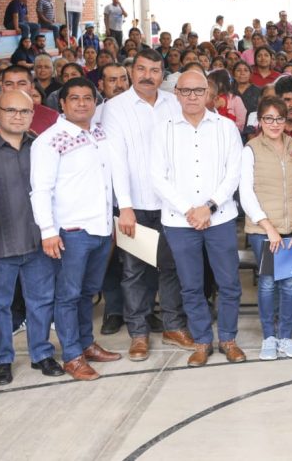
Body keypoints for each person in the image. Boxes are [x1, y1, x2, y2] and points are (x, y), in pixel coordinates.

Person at [102, 49, 194, 361]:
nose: (147, 76)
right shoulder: (115, 108)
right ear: (132, 71)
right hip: (136, 205)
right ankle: (138, 333)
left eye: (155, 70)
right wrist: (125, 206)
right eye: (141, 69)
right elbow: (116, 160)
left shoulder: (173, 102)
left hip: (171, 205)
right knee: (134, 271)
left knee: (171, 267)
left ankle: (173, 326)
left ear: (162, 74)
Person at [150, 70, 245, 367]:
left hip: (220, 218)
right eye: (186, 91)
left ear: (208, 94)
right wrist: (189, 210)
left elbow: (234, 173)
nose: (192, 96)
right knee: (190, 286)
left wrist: (209, 207)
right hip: (180, 222)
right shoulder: (162, 129)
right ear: (176, 94)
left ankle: (228, 339)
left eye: (198, 91)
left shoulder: (225, 128)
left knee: (229, 283)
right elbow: (157, 176)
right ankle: (203, 341)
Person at [30, 77, 120, 381]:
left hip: (101, 229)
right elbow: (40, 190)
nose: (82, 103)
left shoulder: (99, 134)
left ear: (95, 103)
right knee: (68, 295)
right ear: (62, 103)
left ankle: (86, 343)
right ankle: (72, 355)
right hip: (71, 231)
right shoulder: (50, 141)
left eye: (87, 98)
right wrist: (48, 231)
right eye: (75, 98)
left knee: (88, 293)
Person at [0, 89, 63, 386]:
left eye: (25, 111)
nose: (18, 116)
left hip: (38, 240)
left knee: (41, 301)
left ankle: (42, 353)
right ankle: (2, 360)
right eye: (11, 110)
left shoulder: (41, 146)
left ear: (32, 114)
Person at [240, 96, 292, 361]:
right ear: (259, 121)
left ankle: (286, 337)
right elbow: (246, 192)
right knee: (269, 283)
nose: (274, 123)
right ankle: (269, 337)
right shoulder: (250, 150)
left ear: (286, 120)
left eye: (279, 118)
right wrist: (268, 227)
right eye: (268, 118)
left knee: (290, 283)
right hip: (264, 231)